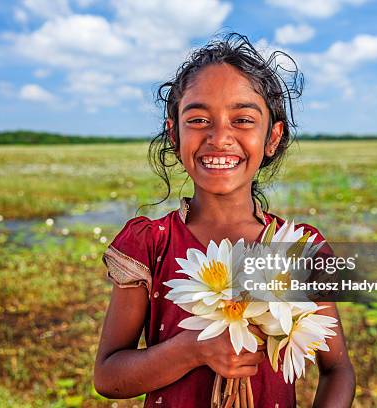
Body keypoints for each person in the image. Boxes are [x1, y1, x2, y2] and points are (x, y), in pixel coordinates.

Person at [94, 32, 355, 408]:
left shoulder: (298, 248)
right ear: (174, 133)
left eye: (243, 119)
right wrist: (192, 350)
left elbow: (338, 370)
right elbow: (108, 376)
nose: (219, 137)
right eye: (198, 119)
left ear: (273, 137)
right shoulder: (151, 243)